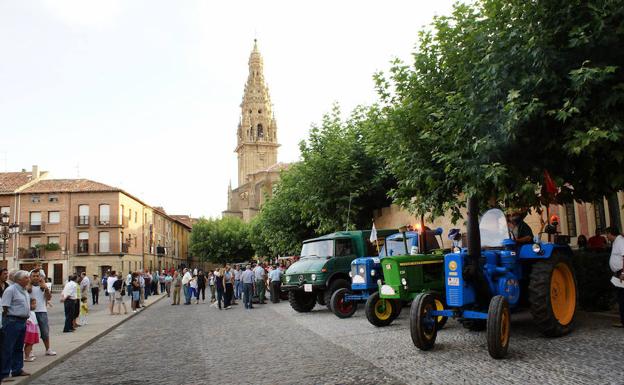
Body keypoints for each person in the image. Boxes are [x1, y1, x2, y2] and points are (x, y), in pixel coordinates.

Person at [1, 270, 31, 380]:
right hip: (12, 321)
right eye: (26, 278)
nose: (28, 279)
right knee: (8, 347)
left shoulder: (24, 290)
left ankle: (17, 369)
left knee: (18, 347)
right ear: (18, 280)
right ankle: (4, 373)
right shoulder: (11, 290)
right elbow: (5, 307)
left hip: (22, 321)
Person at [28, 269, 55, 356]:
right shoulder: (27, 287)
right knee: (31, 332)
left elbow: (49, 298)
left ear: (40, 277)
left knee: (45, 331)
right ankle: (30, 350)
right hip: (31, 312)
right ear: (30, 277)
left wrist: (46, 289)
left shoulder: (43, 286)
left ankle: (48, 349)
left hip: (42, 311)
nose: (36, 278)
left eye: (37, 276)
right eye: (34, 276)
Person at [606, 226, 624, 328]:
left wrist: (623, 273)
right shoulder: (616, 241)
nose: (606, 237)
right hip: (618, 273)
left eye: (607, 234)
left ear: (611, 233)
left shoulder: (620, 241)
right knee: (621, 297)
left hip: (621, 273)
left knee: (622, 298)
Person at [23, 298, 39, 362]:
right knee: (29, 343)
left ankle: (28, 355)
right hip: (30, 329)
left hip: (33, 328)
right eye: (33, 304)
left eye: (35, 303)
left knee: (30, 343)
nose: (35, 305)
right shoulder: (28, 311)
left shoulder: (32, 312)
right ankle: (26, 357)